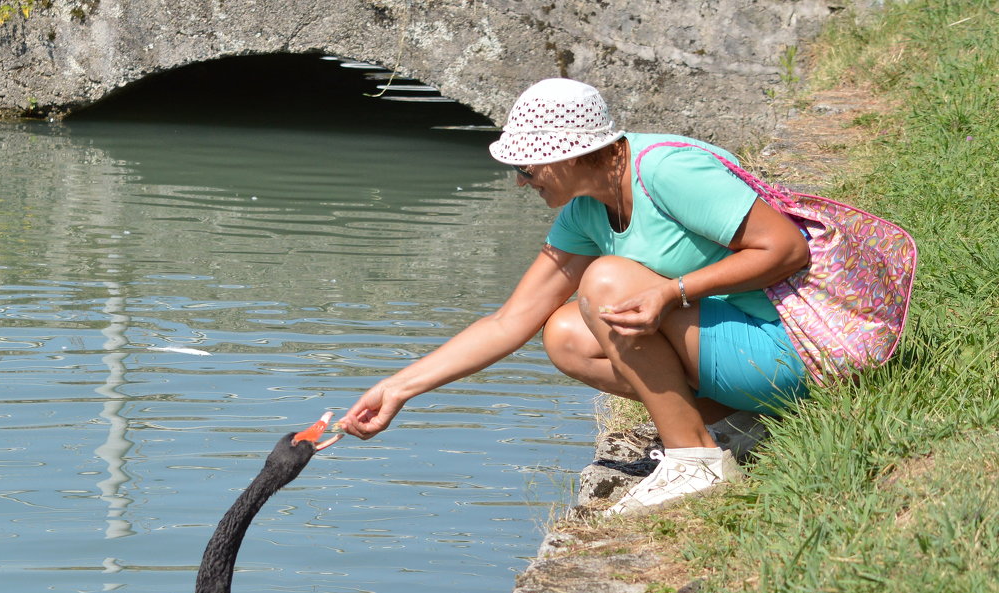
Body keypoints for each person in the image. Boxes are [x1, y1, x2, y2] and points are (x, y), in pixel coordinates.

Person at [337, 78, 811, 514]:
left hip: (791, 349)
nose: (521, 180)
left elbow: (787, 249)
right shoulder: (586, 212)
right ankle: (740, 425)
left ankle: (694, 462)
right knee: (564, 334)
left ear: (568, 154)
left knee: (606, 282)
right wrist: (396, 389)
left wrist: (673, 292)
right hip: (737, 361)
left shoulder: (666, 170)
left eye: (525, 166)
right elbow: (509, 322)